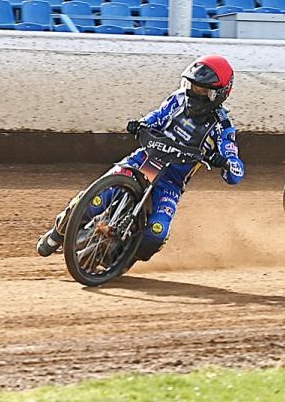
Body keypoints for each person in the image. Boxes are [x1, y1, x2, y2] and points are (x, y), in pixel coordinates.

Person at [36, 55, 245, 260]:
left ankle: (120, 259)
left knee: (156, 233)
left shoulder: (222, 127)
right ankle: (56, 234)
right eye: (192, 87)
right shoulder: (178, 99)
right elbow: (158, 116)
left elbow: (236, 172)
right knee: (94, 200)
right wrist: (141, 124)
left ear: (219, 94)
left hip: (170, 183)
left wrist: (226, 162)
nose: (194, 93)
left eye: (202, 91)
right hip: (143, 161)